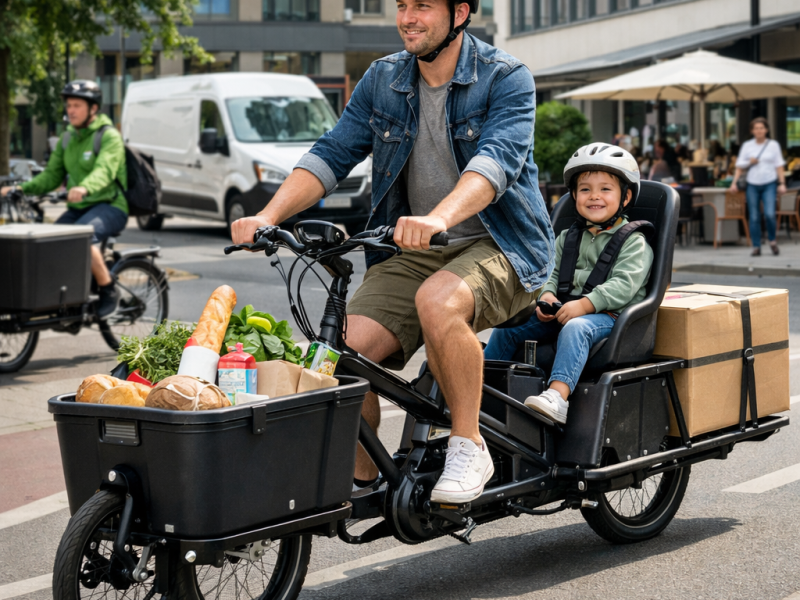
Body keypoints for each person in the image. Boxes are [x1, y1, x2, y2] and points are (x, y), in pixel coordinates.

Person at [231, 0, 554, 504]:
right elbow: (333, 152)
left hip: (503, 243)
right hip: (418, 248)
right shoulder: (383, 80)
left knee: (438, 302)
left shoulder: (506, 77)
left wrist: (439, 218)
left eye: (422, 6)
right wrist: (269, 216)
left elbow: (496, 163)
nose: (408, 17)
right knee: (338, 357)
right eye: (402, 5)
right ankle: (363, 480)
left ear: (460, 13)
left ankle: (469, 444)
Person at [483, 144, 653, 424]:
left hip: (611, 317)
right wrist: (547, 293)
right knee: (509, 325)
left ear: (626, 197)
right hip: (566, 308)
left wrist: (585, 305)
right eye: (585, 189)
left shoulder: (634, 242)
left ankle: (557, 396)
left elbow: (624, 285)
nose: (594, 196)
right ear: (574, 195)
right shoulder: (567, 238)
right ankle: (483, 383)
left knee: (576, 327)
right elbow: (550, 271)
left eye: (605, 189)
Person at [1, 80, 128, 317]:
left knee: (82, 236)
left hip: (110, 205)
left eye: (77, 105)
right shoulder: (68, 138)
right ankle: (67, 298)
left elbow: (105, 170)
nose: (71, 110)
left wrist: (84, 187)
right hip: (79, 207)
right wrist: (22, 189)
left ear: (93, 109)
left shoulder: (108, 136)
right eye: (69, 105)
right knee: (51, 242)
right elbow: (51, 176)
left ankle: (109, 289)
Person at [730, 117, 788, 256]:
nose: (759, 130)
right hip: (752, 184)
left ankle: (772, 240)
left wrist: (782, 183)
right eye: (756, 128)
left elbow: (779, 165)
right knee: (754, 216)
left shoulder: (773, 145)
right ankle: (756, 246)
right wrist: (734, 182)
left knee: (769, 214)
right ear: (752, 131)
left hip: (769, 182)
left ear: (766, 130)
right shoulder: (747, 145)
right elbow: (739, 166)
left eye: (761, 128)